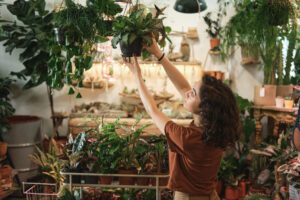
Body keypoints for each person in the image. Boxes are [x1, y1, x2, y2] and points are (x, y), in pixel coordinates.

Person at [123, 40, 241, 200]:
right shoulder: (215, 132)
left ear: (205, 109)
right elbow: (184, 87)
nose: (187, 93)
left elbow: (152, 110)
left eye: (193, 93)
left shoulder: (188, 138)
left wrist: (137, 75)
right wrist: (159, 54)